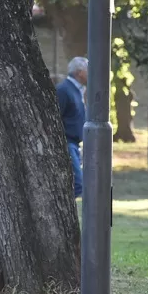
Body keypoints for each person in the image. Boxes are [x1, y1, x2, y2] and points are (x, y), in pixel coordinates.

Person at [57, 56, 87, 199]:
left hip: (75, 144)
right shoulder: (64, 90)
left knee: (76, 184)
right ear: (80, 72)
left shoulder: (78, 90)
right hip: (67, 143)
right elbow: (56, 118)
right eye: (89, 71)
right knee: (77, 184)